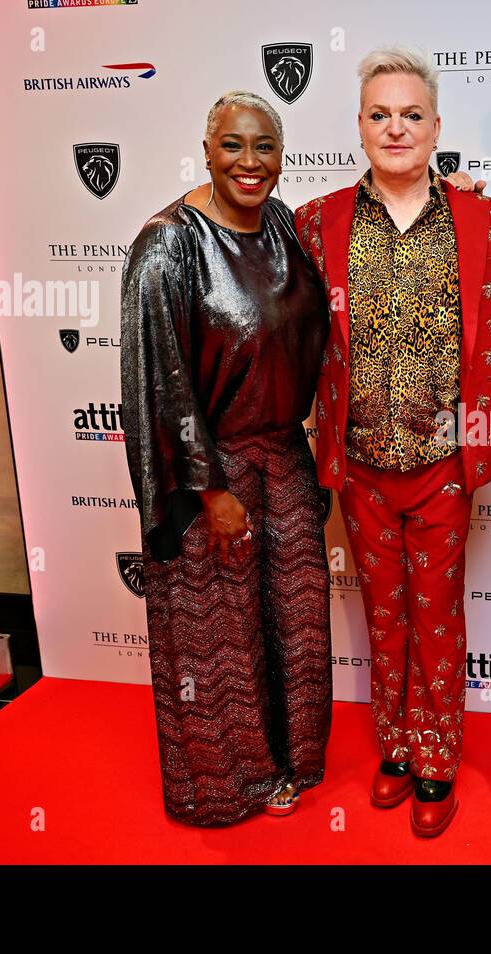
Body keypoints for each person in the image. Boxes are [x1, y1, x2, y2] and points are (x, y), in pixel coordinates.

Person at [294, 47, 491, 838]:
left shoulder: (487, 219)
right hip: (356, 466)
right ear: (359, 126)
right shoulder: (314, 222)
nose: (396, 128)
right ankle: (393, 748)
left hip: (442, 468)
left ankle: (437, 759)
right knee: (380, 616)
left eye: (411, 115)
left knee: (438, 617)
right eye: (380, 115)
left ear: (435, 128)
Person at [120, 90, 332, 825]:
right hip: (215, 470)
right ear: (207, 149)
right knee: (224, 643)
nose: (250, 161)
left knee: (296, 627)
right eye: (234, 145)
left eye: (265, 146)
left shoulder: (283, 224)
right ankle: (228, 785)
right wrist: (207, 488)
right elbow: (160, 380)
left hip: (286, 459)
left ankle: (292, 761)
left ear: (282, 154)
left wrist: (448, 187)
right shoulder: (167, 244)